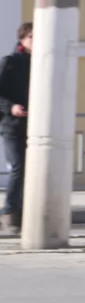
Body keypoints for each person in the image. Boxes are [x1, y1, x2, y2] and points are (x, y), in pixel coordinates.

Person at [0, 22, 32, 236]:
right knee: (19, 166)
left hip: (37, 125)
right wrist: (11, 107)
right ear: (22, 39)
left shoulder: (43, 63)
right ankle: (9, 212)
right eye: (32, 37)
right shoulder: (10, 62)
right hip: (11, 124)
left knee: (32, 171)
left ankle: (22, 214)